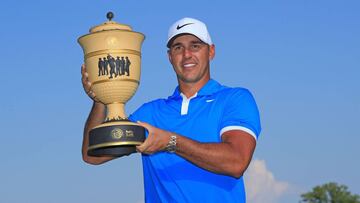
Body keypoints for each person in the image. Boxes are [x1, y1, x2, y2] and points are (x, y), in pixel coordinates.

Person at [81, 17, 261, 203]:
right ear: (170, 57)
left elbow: (237, 162)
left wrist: (171, 142)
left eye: (195, 46)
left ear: (211, 51)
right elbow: (92, 154)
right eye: (178, 48)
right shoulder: (150, 114)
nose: (187, 54)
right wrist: (101, 100)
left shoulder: (234, 99)